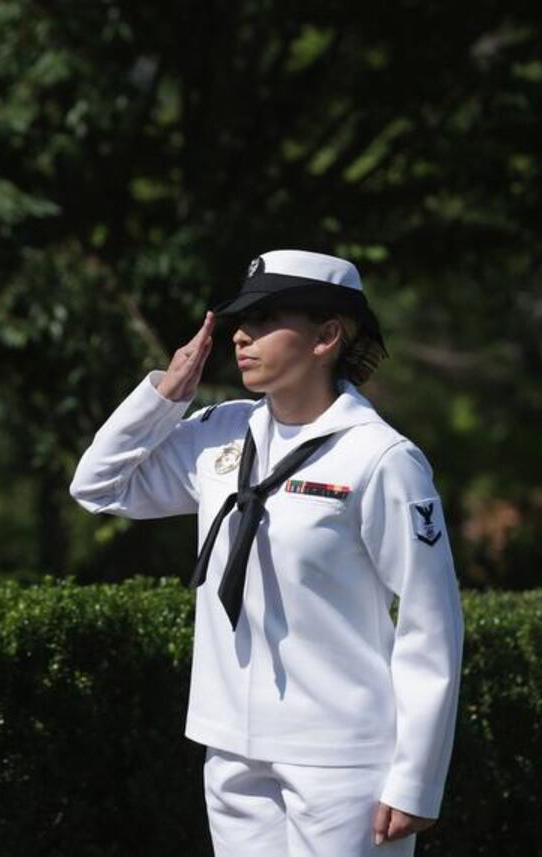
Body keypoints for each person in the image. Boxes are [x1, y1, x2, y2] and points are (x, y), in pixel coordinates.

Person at [70, 250, 463, 856]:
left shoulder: (381, 458)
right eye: (241, 320)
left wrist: (417, 778)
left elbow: (430, 623)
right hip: (230, 743)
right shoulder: (220, 434)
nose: (241, 336)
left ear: (326, 336)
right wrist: (163, 397)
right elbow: (99, 486)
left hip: (340, 758)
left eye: (266, 319)